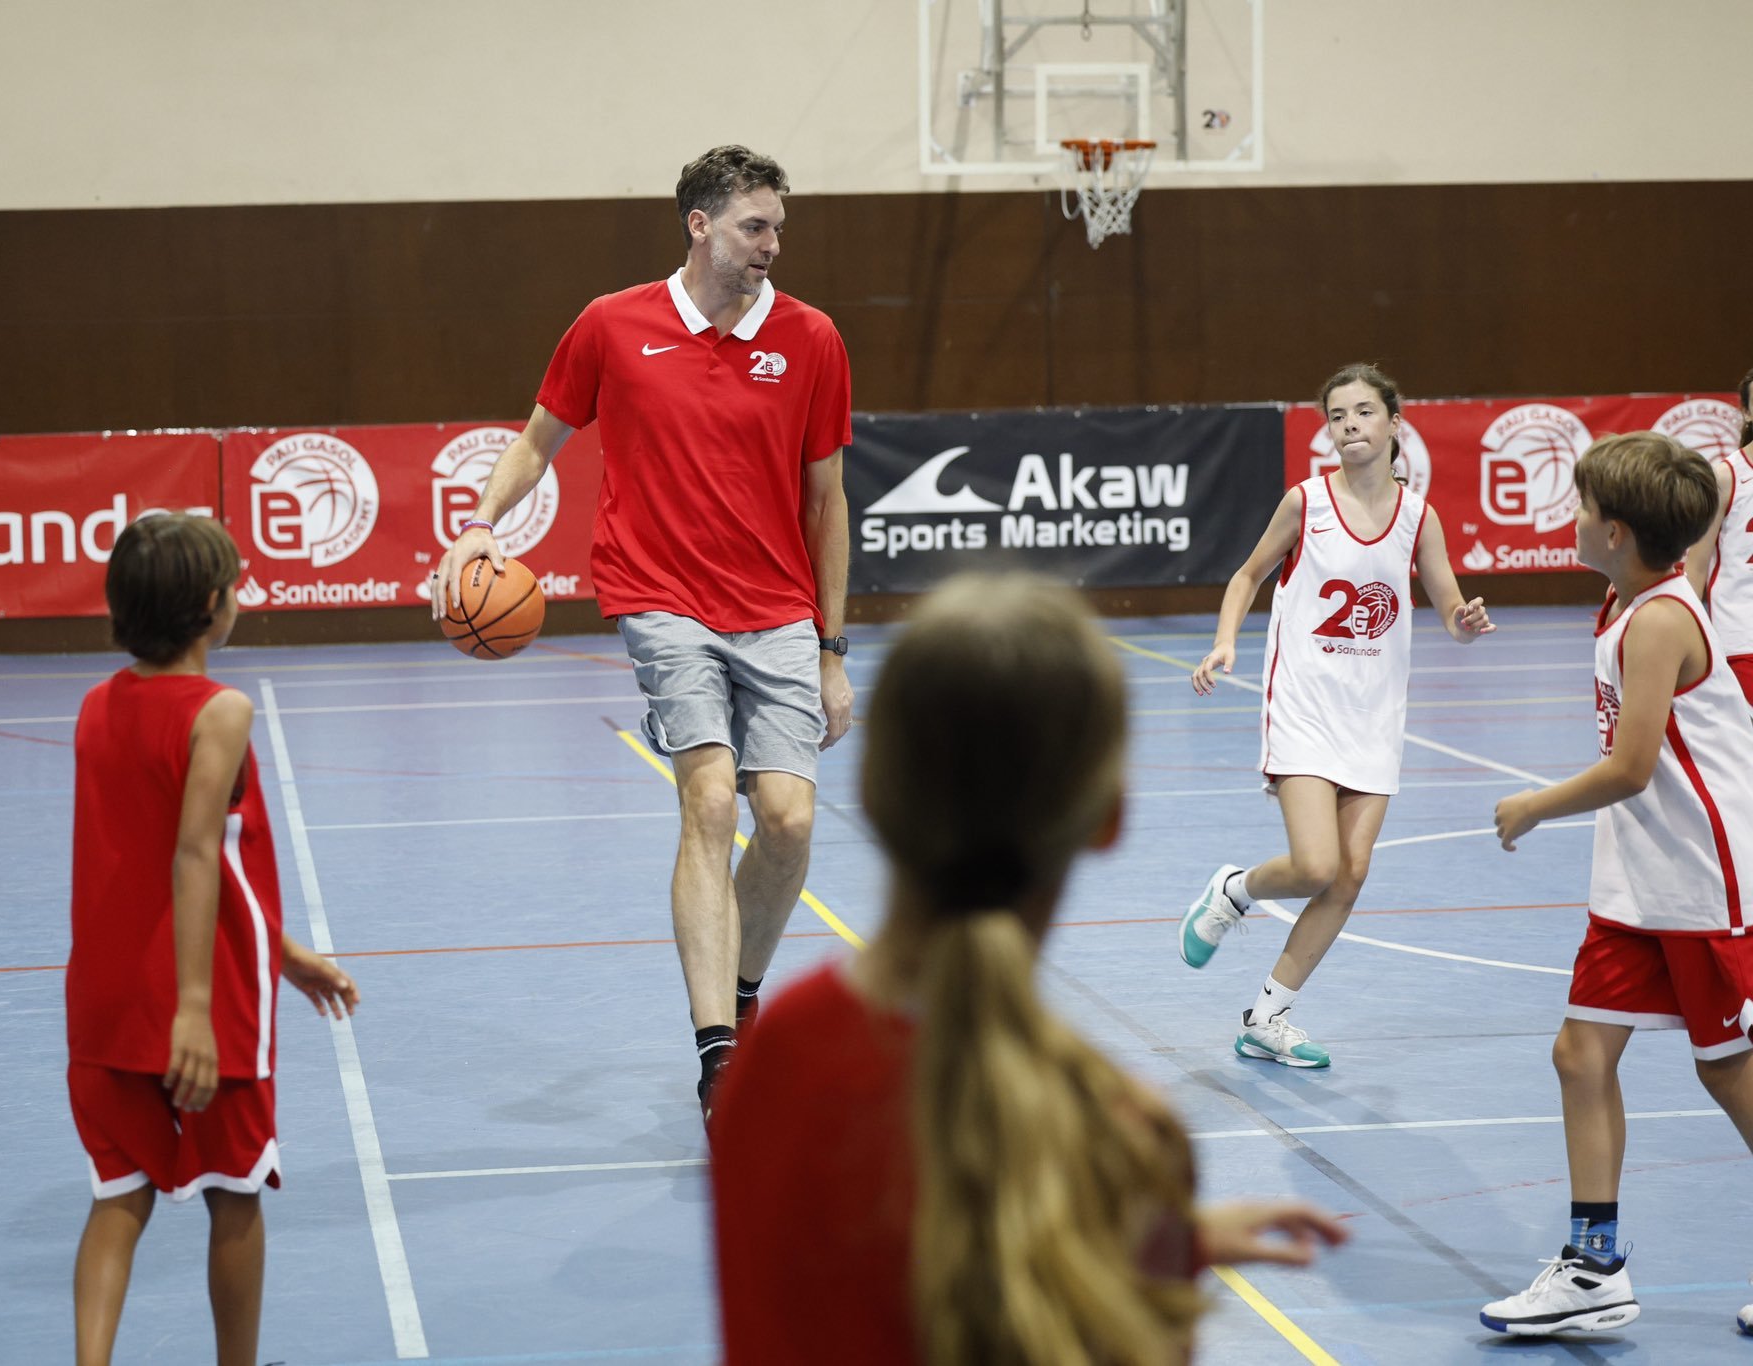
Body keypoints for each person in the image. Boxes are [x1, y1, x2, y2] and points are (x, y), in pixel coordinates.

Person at [710, 572, 1347, 1366]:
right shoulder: (1123, 1139)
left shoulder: (771, 1057)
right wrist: (1142, 1255)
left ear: (872, 792)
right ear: (1108, 817)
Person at [429, 145, 853, 1119]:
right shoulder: (611, 325)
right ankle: (718, 1058)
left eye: (778, 228)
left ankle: (738, 997)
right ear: (699, 225)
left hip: (779, 610)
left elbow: (827, 499)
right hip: (661, 600)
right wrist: (479, 524)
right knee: (708, 802)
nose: (771, 245)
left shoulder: (812, 338)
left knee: (787, 823)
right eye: (754, 226)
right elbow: (538, 440)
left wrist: (832, 650)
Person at [68, 513, 360, 1366]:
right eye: (234, 583)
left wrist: (285, 951)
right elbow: (195, 851)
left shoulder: (95, 706)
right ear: (209, 605)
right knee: (235, 1193)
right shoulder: (220, 711)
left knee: (118, 1196)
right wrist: (193, 1009)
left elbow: (156, 855)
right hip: (206, 996)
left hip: (105, 995)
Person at [1481, 432, 1753, 1338]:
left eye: (1583, 506)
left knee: (1730, 1073)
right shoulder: (1623, 597)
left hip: (1704, 881)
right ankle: (1593, 1269)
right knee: (1580, 1054)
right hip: (1639, 879)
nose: (1572, 517)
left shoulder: (1662, 619)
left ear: (1617, 532)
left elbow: (1632, 768)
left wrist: (1533, 806)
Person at [1177, 363, 1494, 1068]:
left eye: (1363, 412)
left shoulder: (1419, 517)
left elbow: (1450, 610)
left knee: (1349, 876)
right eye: (1338, 416)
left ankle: (1268, 1018)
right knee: (1317, 863)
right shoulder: (1307, 502)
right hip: (1305, 706)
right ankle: (1234, 890)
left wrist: (1466, 622)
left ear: (1394, 424)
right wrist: (1226, 639)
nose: (1350, 425)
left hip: (1374, 719)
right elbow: (1247, 575)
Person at [1683, 365, 1753, 708]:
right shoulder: (1726, 476)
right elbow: (1696, 567)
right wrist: (1686, 634)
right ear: (1747, 413)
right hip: (1742, 638)